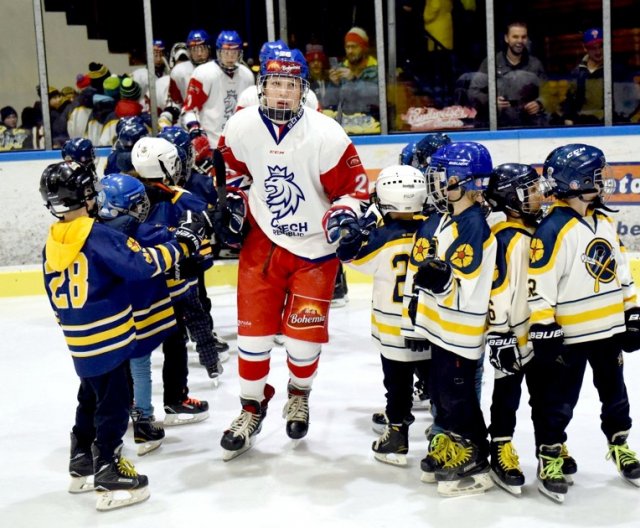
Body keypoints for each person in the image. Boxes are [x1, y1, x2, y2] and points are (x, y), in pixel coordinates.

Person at [214, 47, 369, 460]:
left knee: (302, 344)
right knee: (253, 338)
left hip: (315, 252)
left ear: (303, 89)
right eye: (276, 85)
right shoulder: (241, 126)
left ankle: (298, 394)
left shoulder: (327, 134)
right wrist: (233, 200)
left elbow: (355, 190)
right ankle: (250, 408)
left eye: (291, 85)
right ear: (262, 87)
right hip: (263, 245)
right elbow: (234, 173)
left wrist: (343, 214)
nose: (283, 94)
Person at [40, 161, 203, 510]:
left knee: (89, 397)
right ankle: (108, 468)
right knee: (114, 404)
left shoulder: (52, 240)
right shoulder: (97, 235)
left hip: (79, 340)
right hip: (111, 338)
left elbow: (53, 297)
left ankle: (81, 457)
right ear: (85, 195)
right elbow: (141, 264)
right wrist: (183, 246)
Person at [528, 143, 640, 503]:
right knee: (559, 401)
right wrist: (544, 325)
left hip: (608, 331)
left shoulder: (603, 221)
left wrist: (632, 310)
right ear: (575, 182)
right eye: (597, 174)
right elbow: (539, 285)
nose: (603, 180)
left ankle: (620, 444)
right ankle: (550, 453)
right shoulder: (552, 230)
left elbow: (620, 272)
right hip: (570, 338)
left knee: (616, 396)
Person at [402, 141, 496, 497]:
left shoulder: (472, 224)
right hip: (441, 329)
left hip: (460, 331)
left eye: (442, 177)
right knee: (443, 393)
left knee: (459, 396)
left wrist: (439, 280)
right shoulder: (448, 218)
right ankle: (456, 446)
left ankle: (476, 457)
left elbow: (465, 281)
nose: (437, 183)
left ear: (462, 180)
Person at [335, 164, 429, 466]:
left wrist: (365, 224)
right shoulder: (435, 231)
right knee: (436, 385)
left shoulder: (380, 238)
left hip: (392, 332)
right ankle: (443, 431)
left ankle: (398, 436)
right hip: (429, 326)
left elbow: (349, 255)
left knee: (397, 387)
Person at [96, 173, 171, 456]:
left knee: (111, 371)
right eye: (138, 202)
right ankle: (143, 419)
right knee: (140, 367)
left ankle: (110, 423)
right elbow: (165, 239)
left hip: (109, 320)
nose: (143, 207)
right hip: (137, 313)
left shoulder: (94, 234)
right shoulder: (144, 232)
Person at [483, 163, 546, 496]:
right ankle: (500, 447)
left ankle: (549, 449)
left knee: (547, 398)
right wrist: (499, 337)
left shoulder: (541, 231)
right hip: (512, 336)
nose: (539, 195)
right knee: (506, 396)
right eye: (531, 190)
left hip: (544, 334)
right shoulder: (504, 238)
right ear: (511, 198)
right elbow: (498, 289)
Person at [182, 30, 255, 148]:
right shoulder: (203, 73)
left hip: (238, 144)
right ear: (219, 52)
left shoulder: (247, 75)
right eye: (226, 52)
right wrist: (194, 128)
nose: (230, 57)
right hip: (210, 144)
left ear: (239, 53)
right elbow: (189, 109)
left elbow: (250, 111)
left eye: (234, 52)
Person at [468, 21, 548, 128]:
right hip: (495, 126)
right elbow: (473, 92)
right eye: (515, 37)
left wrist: (539, 103)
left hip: (526, 126)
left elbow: (547, 93)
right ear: (506, 38)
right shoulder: (490, 63)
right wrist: (491, 102)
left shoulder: (535, 64)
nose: (520, 41)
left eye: (523, 37)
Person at [328, 27, 380, 131]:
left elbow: (376, 96)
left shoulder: (377, 69)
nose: (350, 51)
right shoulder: (340, 68)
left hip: (372, 125)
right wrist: (334, 85)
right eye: (347, 47)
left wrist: (354, 80)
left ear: (364, 48)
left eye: (354, 47)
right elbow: (329, 103)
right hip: (344, 125)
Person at [561, 28, 604, 125]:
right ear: (585, 48)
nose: (598, 52)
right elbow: (569, 102)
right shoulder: (577, 73)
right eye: (593, 47)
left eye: (601, 46)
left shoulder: (616, 70)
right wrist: (568, 119)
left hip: (611, 128)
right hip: (583, 128)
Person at [169, 29, 212, 106]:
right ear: (189, 51)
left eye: (202, 49)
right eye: (195, 49)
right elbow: (175, 102)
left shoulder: (218, 69)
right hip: (190, 115)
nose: (199, 54)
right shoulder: (178, 72)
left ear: (209, 49)